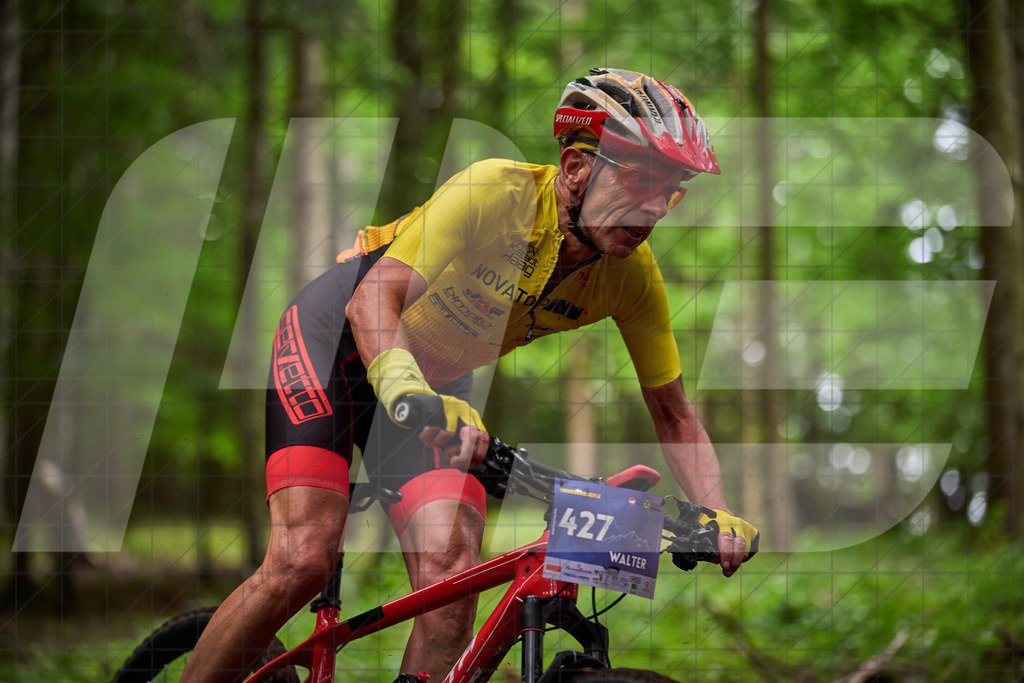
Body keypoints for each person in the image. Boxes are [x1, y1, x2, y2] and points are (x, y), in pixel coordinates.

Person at [180, 67, 759, 683]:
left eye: (669, 193)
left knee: (453, 577)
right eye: (640, 179)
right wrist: (404, 389)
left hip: (430, 385)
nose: (653, 207)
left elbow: (673, 412)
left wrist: (716, 511)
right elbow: (374, 300)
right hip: (338, 343)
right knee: (303, 559)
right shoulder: (494, 192)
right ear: (574, 167)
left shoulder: (630, 277)